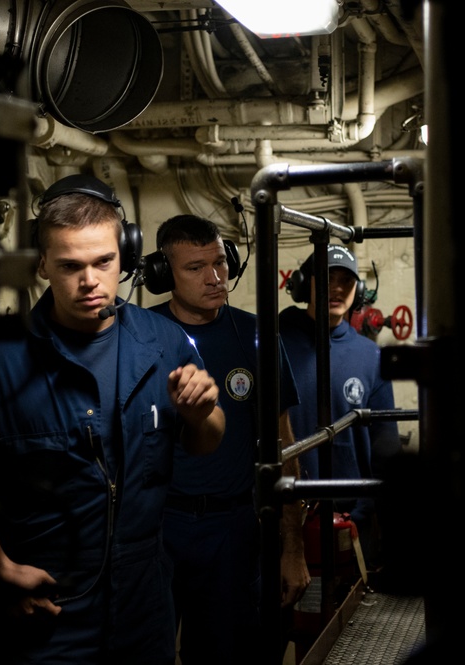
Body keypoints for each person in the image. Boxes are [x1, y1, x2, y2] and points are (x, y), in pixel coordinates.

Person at [0, 175, 225, 665]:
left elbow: (206, 440)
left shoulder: (163, 342)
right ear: (41, 265)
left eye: (104, 261)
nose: (90, 281)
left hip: (144, 607)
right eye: (70, 266)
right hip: (44, 615)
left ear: (124, 254)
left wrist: (203, 413)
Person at [144, 214, 311, 664]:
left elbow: (284, 447)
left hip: (231, 529)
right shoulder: (138, 336)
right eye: (195, 267)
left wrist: (292, 549)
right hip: (155, 528)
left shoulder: (259, 336)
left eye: (220, 262)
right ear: (163, 274)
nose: (215, 278)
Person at [278, 243, 401, 573]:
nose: (336, 288)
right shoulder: (276, 342)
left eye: (346, 281)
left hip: (350, 520)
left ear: (357, 291)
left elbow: (384, 446)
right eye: (326, 277)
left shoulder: (370, 356)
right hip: (284, 514)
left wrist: (367, 513)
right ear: (306, 283)